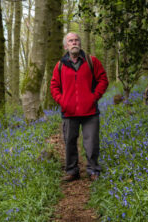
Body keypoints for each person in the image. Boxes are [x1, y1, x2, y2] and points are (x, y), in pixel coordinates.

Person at [50, 32, 109, 182]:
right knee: (69, 142)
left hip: (90, 111)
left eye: (76, 40)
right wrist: (62, 101)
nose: (74, 43)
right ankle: (72, 171)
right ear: (66, 46)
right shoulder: (60, 65)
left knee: (92, 142)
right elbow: (54, 86)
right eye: (71, 41)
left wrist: (94, 97)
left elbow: (103, 79)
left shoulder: (91, 61)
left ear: (80, 43)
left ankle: (93, 170)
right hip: (69, 112)